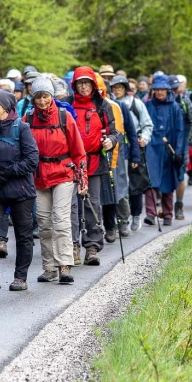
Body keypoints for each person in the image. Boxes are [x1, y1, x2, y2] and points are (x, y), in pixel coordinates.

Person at [0, 89, 38, 291]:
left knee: (23, 234)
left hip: (20, 190)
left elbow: (32, 160)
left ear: (5, 106)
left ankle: (20, 277)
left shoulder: (22, 129)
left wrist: (9, 172)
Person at [28, 77, 85, 284]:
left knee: (60, 220)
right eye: (38, 97)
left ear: (51, 96)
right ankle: (49, 267)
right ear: (32, 99)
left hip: (63, 173)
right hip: (40, 176)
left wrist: (82, 178)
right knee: (43, 222)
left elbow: (78, 150)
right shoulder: (29, 119)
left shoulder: (64, 116)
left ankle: (64, 265)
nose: (42, 101)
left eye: (45, 96)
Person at [71, 67, 118, 264]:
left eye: (87, 83)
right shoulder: (67, 103)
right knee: (71, 206)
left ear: (93, 84)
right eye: (80, 83)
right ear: (75, 85)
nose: (83, 87)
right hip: (71, 163)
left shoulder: (103, 105)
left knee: (93, 204)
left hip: (95, 161)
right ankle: (72, 246)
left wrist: (111, 141)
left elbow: (114, 133)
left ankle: (92, 247)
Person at [144, 74, 185, 228]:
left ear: (167, 90)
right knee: (151, 181)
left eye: (162, 89)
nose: (159, 92)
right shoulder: (148, 105)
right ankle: (150, 213)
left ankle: (168, 215)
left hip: (169, 149)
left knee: (168, 182)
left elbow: (180, 130)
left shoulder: (175, 107)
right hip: (152, 148)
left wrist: (179, 151)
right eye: (157, 90)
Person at [111, 76, 152, 231]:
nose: (117, 90)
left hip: (134, 147)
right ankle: (122, 218)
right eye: (114, 87)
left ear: (125, 88)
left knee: (135, 184)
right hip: (118, 149)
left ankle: (135, 215)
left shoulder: (136, 103)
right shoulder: (110, 104)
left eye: (119, 87)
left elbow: (147, 124)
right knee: (120, 185)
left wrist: (145, 138)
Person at [170, 75, 192, 220]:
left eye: (176, 88)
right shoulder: (163, 103)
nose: (174, 91)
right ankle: (166, 207)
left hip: (182, 144)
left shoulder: (185, 101)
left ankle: (179, 205)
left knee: (181, 175)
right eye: (171, 89)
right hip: (166, 144)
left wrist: (189, 140)